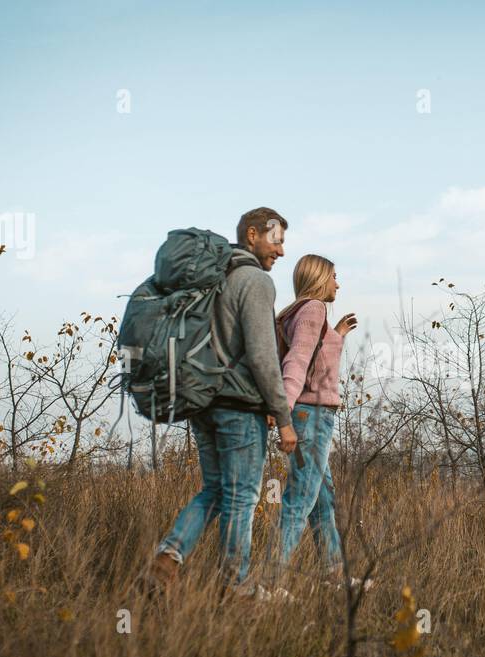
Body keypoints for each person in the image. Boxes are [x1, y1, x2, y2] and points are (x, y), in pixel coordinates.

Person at [146, 207, 297, 592]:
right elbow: (263, 357)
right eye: (276, 240)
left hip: (202, 403)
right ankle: (233, 587)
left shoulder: (212, 278)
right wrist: (282, 416)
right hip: (239, 407)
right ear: (251, 235)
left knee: (215, 490)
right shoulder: (254, 282)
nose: (280, 252)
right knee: (243, 498)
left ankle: (167, 558)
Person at [276, 254, 357, 583]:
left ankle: (334, 572)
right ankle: (269, 580)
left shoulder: (299, 314)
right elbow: (295, 363)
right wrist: (282, 413)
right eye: (334, 276)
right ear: (320, 279)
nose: (338, 283)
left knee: (323, 497)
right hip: (311, 416)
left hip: (310, 414)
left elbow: (311, 357)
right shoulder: (313, 310)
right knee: (300, 498)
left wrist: (335, 336)